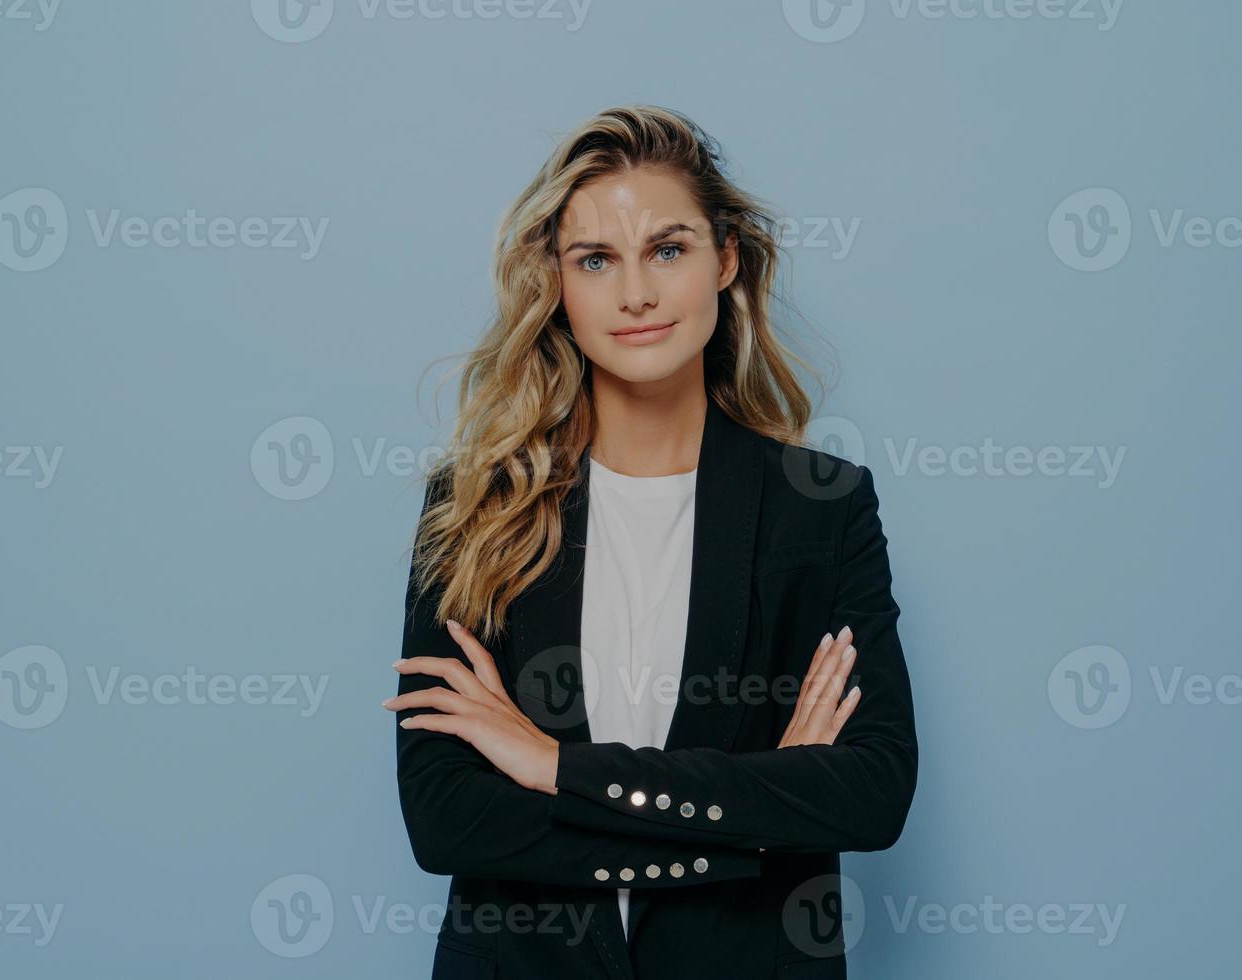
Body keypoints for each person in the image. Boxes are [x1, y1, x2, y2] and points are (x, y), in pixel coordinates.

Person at [384, 104, 917, 979]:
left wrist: (553, 765)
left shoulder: (821, 511)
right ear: (557, 283)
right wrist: (753, 821)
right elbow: (447, 819)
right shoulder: (479, 505)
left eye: (667, 250)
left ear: (726, 261)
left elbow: (871, 794)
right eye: (597, 260)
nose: (635, 293)